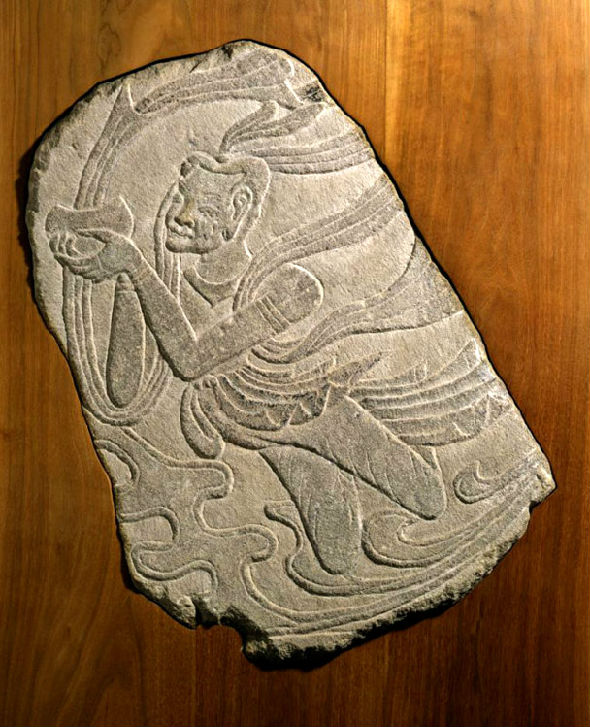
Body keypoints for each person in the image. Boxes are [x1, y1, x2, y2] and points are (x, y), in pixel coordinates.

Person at [49, 149, 450, 576]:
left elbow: (192, 359)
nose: (180, 216)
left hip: (309, 408)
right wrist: (125, 280)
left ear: (238, 209)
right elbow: (123, 390)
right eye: (179, 199)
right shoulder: (171, 296)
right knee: (338, 558)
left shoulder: (286, 285)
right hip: (255, 429)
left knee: (427, 497)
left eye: (199, 206)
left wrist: (136, 266)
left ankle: (417, 433)